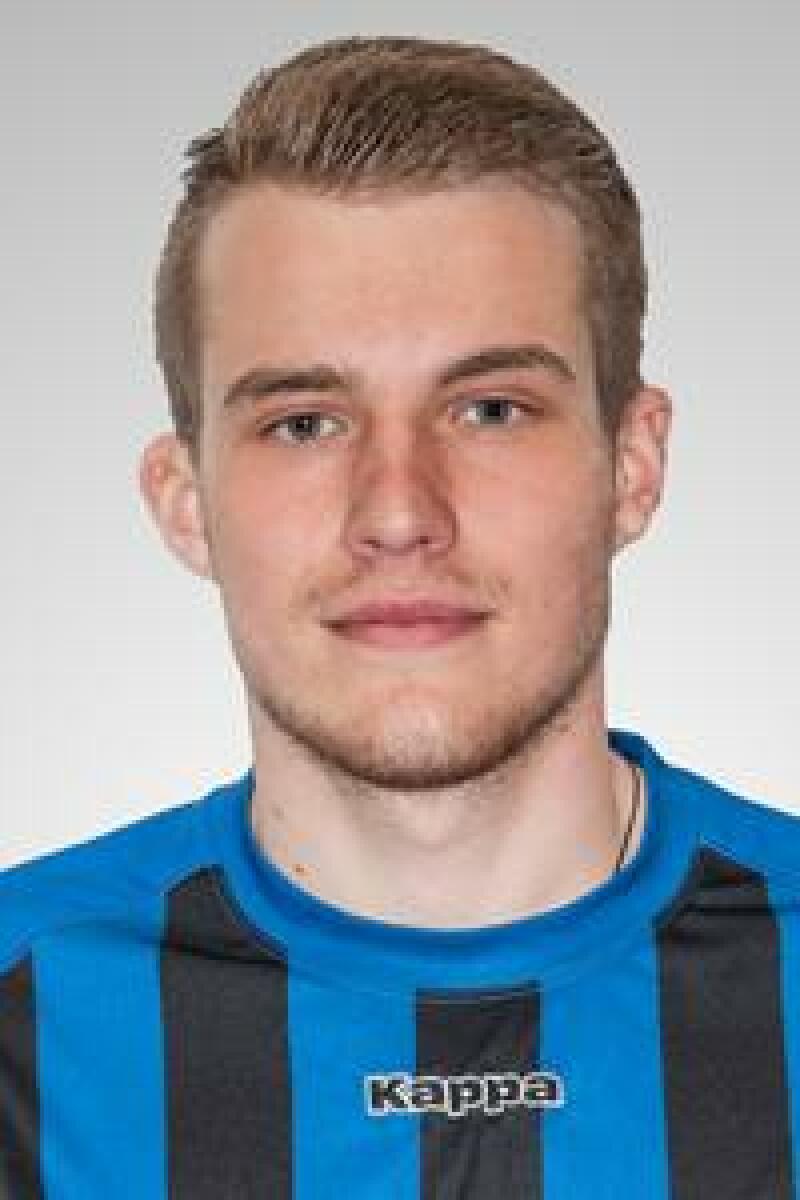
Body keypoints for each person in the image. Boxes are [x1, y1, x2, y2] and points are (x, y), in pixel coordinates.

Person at [0, 33, 797, 1199]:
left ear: (630, 466)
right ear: (184, 501)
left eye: (488, 409)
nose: (397, 514)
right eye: (304, 423)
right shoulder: (20, 1022)